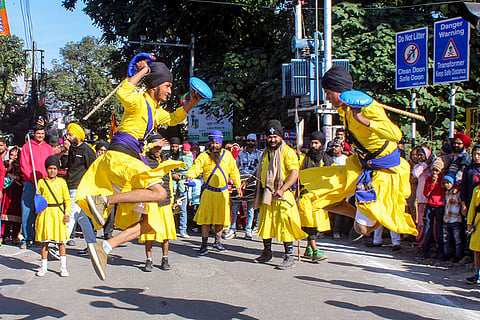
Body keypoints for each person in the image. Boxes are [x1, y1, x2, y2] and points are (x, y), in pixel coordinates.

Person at [76, 57, 201, 280]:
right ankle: (103, 200)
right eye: (168, 86)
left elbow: (173, 118)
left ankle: (104, 247)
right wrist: (143, 71)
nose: (170, 91)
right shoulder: (138, 101)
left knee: (149, 223)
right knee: (160, 192)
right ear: (155, 86)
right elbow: (123, 92)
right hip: (121, 157)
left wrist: (192, 102)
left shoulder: (154, 110)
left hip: (130, 160)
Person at [299, 65, 417, 237]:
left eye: (328, 93)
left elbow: (395, 134)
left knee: (361, 229)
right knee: (321, 197)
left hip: (383, 171)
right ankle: (361, 217)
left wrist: (363, 120)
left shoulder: (368, 109)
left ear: (339, 90)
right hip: (359, 165)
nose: (327, 98)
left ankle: (376, 218)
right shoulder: (344, 109)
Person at [241, 120, 306, 270]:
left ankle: (289, 256)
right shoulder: (266, 152)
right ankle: (266, 253)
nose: (272, 140)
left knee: (285, 226)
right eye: (269, 137)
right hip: (267, 195)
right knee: (266, 224)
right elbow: (259, 171)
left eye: (275, 137)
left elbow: (295, 173)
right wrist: (248, 181)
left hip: (282, 196)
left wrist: (282, 189)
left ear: (280, 137)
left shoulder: (287, 152)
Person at [186, 130, 242, 255]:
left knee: (220, 219)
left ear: (221, 143)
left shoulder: (227, 155)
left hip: (222, 193)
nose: (215, 145)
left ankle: (217, 242)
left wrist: (238, 185)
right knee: (205, 220)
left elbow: (234, 171)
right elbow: (196, 168)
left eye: (217, 142)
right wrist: (190, 176)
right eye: (212, 142)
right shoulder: (204, 156)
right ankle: (204, 245)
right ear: (209, 143)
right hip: (208, 192)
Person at [140, 132, 179, 271]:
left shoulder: (166, 161)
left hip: (166, 203)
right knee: (149, 232)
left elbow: (169, 182)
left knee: (166, 233)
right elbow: (138, 151)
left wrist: (172, 200)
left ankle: (165, 258)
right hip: (150, 202)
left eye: (160, 148)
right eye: (156, 147)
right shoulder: (143, 160)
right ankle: (149, 260)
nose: (159, 150)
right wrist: (151, 144)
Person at [298, 131, 332, 262]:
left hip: (320, 196)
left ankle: (308, 249)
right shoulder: (303, 158)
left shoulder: (327, 159)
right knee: (309, 223)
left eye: (316, 143)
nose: (313, 145)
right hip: (306, 194)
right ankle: (315, 250)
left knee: (316, 224)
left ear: (321, 144)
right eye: (312, 143)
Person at [35, 155, 71, 277]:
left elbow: (67, 199)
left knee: (61, 242)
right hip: (45, 213)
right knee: (45, 241)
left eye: (55, 168)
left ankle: (63, 267)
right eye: (50, 168)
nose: (52, 171)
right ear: (46, 169)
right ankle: (43, 267)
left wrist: (67, 213)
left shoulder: (62, 182)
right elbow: (37, 198)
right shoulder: (41, 182)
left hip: (58, 213)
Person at [20, 124, 54, 248]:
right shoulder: (27, 146)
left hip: (44, 183)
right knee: (27, 210)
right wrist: (31, 178)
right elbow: (24, 165)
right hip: (31, 182)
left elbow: (51, 163)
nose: (40, 136)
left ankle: (39, 236)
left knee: (42, 210)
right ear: (34, 134)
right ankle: (26, 237)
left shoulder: (48, 148)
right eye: (38, 133)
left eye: (42, 133)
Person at [64, 123, 97, 252]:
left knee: (71, 214)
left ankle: (61, 241)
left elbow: (92, 169)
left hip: (80, 187)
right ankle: (92, 245)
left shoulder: (86, 150)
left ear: (78, 135)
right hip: (71, 184)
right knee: (82, 218)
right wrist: (66, 151)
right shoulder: (72, 149)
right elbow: (68, 166)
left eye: (70, 134)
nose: (68, 137)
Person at [224, 133, 261, 240]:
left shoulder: (259, 154)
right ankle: (233, 229)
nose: (250, 143)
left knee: (250, 209)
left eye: (252, 141)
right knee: (235, 206)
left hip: (253, 183)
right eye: (249, 140)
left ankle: (248, 229)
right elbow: (235, 168)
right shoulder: (240, 154)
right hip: (240, 182)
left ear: (256, 142)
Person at [422, 158, 445, 259]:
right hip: (430, 205)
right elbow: (426, 193)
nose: (435, 172)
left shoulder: (443, 179)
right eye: (433, 170)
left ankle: (440, 250)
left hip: (440, 206)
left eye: (437, 170)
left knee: (439, 229)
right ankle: (426, 250)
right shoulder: (428, 179)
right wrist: (432, 184)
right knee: (427, 228)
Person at [411, 146, 432, 251]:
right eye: (418, 155)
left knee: (429, 222)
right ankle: (421, 242)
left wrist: (428, 165)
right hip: (421, 198)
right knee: (421, 222)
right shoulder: (418, 167)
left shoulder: (432, 167)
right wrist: (424, 164)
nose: (419, 157)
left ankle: (429, 243)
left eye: (422, 154)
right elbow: (415, 174)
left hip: (431, 199)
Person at [1, 147, 23, 245]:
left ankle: (15, 235)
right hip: (7, 191)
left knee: (16, 213)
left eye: (16, 155)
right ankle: (3, 235)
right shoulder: (5, 163)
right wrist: (8, 168)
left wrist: (13, 176)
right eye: (11, 155)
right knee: (5, 213)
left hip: (17, 190)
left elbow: (22, 177)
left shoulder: (21, 165)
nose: (13, 157)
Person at [442, 174, 463, 262]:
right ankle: (447, 255)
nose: (447, 185)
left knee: (457, 239)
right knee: (446, 239)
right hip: (446, 219)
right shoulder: (446, 193)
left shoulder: (458, 193)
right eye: (445, 183)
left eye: (448, 183)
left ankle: (458, 256)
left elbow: (461, 204)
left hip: (456, 219)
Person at [175, 142, 194, 238]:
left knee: (183, 209)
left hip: (185, 185)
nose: (185, 152)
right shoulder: (179, 156)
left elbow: (186, 167)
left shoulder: (190, 158)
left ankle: (183, 228)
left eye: (187, 150)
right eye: (184, 150)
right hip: (176, 184)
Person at [466, 183, 480, 283]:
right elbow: (472, 207)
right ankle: (476, 274)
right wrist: (469, 222)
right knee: (477, 250)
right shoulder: (477, 189)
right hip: (478, 222)